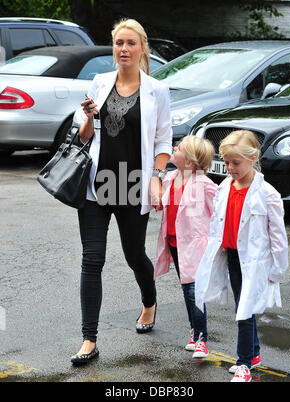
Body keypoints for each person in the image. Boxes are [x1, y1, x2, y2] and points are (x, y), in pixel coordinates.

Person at [70, 18, 172, 364]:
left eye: (130, 43)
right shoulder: (98, 83)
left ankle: (149, 301)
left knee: (133, 255)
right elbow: (83, 137)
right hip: (96, 184)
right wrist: (87, 117)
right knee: (92, 260)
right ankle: (89, 340)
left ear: (142, 47)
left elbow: (162, 141)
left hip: (133, 183)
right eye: (118, 43)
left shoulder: (157, 90)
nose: (123, 49)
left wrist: (158, 176)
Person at [195, 130, 288, 382]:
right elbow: (218, 221)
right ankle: (254, 353)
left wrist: (277, 270)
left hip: (255, 261)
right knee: (243, 306)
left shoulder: (268, 194)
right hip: (232, 256)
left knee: (244, 312)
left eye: (235, 163)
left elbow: (278, 236)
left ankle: (244, 362)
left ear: (253, 158)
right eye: (226, 162)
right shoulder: (225, 186)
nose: (229, 168)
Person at [154, 136, 217, 359]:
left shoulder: (204, 185)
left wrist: (216, 241)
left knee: (193, 290)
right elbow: (165, 201)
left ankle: (202, 338)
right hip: (174, 243)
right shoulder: (170, 178)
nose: (174, 148)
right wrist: (158, 199)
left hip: (195, 246)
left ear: (189, 162)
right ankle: (194, 329)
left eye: (178, 148)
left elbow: (219, 211)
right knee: (186, 288)